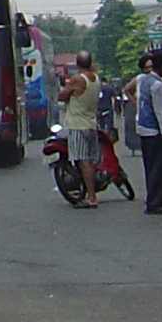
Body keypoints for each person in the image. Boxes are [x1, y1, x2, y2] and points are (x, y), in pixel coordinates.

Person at [133, 52, 162, 215]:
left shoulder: (142, 79)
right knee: (159, 168)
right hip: (155, 131)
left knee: (150, 167)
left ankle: (154, 199)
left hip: (144, 128)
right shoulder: (158, 86)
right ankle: (156, 201)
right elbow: (161, 112)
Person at [60, 52, 104, 206]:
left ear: (77, 64)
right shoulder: (96, 78)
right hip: (92, 123)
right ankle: (92, 193)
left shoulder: (77, 79)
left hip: (77, 125)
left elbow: (62, 96)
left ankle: (91, 197)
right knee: (91, 162)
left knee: (83, 161)